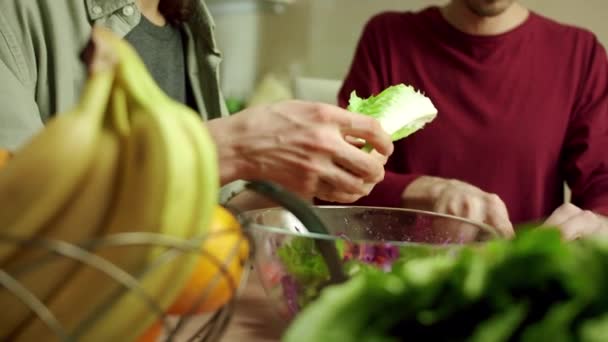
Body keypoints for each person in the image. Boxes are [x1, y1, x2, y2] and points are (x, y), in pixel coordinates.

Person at [0, 0, 393, 205]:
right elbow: (17, 209)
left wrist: (308, 183)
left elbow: (215, 216)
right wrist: (230, 146)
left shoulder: (190, 28)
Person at [336, 0, 608, 239]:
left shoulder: (580, 53)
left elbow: (602, 183)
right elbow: (338, 177)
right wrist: (425, 191)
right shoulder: (387, 38)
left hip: (528, 288)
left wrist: (599, 223)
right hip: (405, 282)